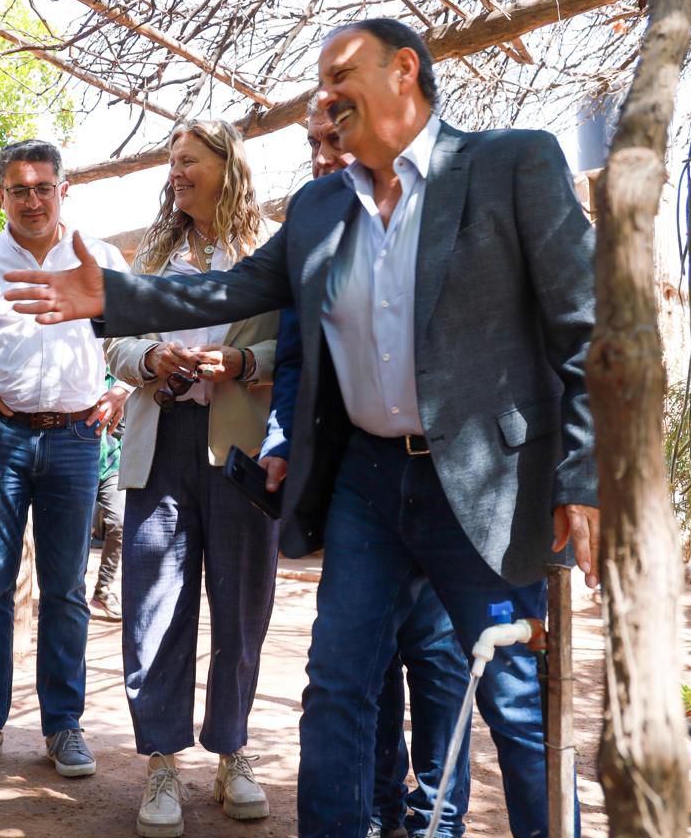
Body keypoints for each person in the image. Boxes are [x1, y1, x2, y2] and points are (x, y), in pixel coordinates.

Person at [3, 18, 600, 838]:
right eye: (319, 83)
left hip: (484, 483)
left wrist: (581, 476)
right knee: (338, 688)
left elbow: (583, 332)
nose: (324, 98)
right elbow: (231, 291)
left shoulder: (511, 163)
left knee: (514, 702)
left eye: (340, 74)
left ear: (405, 71)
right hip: (367, 481)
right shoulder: (322, 205)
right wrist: (113, 296)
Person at [259, 100, 471, 838]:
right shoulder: (312, 224)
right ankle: (377, 812)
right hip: (356, 485)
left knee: (439, 657)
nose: (324, 153)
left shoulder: (447, 206)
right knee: (357, 666)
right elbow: (293, 357)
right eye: (315, 141)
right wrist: (282, 440)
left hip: (447, 479)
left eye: (335, 137)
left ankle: (435, 819)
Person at [0, 139, 131, 780]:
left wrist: (123, 387)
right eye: (20, 189)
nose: (33, 199)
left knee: (67, 590)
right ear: (1, 195)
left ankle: (64, 725)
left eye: (44, 186)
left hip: (77, 439)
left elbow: (134, 337)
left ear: (64, 189)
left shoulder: (101, 258)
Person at [103, 120, 281, 838]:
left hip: (240, 450)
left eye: (189, 161)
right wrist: (151, 360)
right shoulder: (151, 253)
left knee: (242, 604)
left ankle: (233, 750)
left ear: (225, 165)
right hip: (162, 443)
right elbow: (116, 340)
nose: (176, 174)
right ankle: (163, 759)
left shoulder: (270, 248)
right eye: (171, 163)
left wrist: (245, 364)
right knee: (154, 603)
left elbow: (292, 342)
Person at [90, 372, 124, 622]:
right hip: (79, 462)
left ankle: (103, 588)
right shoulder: (83, 372)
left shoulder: (121, 378)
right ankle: (73, 589)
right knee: (78, 530)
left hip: (112, 464)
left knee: (120, 522)